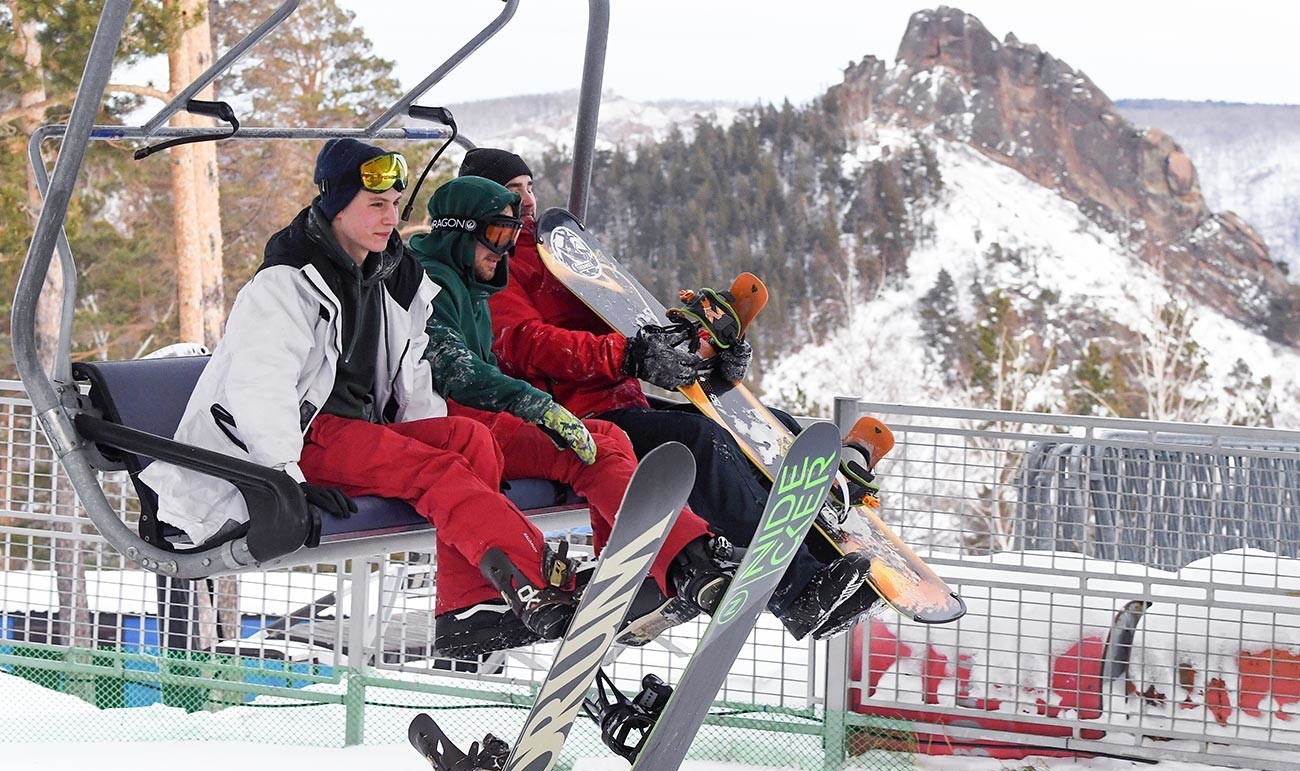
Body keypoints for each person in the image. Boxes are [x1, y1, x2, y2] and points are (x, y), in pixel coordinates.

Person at [140, 138, 585, 661]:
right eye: (375, 205)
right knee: (439, 471)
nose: (389, 218)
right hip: (300, 440)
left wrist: (437, 447)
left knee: (467, 439)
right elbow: (261, 387)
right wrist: (286, 478)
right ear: (336, 206)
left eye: (395, 205)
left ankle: (471, 608)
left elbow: (414, 380)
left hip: (359, 432)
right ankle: (534, 577)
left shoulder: (394, 279)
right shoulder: (285, 286)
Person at [462, 148, 882, 641]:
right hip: (567, 418)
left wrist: (702, 350)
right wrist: (628, 357)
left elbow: (626, 319)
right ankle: (795, 590)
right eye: (514, 194)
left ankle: (831, 566)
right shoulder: (495, 266)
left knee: (769, 430)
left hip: (618, 402)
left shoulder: (558, 254)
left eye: (531, 188)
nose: (528, 202)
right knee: (697, 442)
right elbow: (522, 344)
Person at [407, 175, 734, 647]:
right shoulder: (430, 284)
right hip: (443, 424)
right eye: (498, 236)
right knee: (594, 444)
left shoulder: (471, 285)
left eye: (513, 239)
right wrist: (538, 406)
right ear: (461, 230)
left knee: (604, 438)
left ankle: (633, 567)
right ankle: (685, 558)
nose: (504, 252)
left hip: (479, 419)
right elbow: (457, 370)